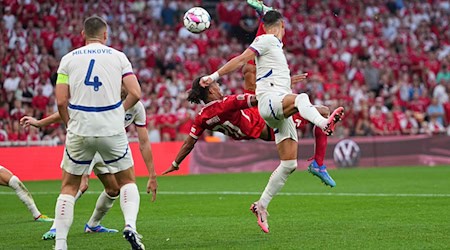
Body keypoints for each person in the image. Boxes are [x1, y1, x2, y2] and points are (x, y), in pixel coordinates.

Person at [200, 10, 344, 233]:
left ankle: (261, 206)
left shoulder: (274, 47)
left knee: (289, 164)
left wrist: (287, 80)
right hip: (269, 103)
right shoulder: (266, 39)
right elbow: (241, 61)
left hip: (278, 106)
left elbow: (265, 74)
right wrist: (213, 77)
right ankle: (323, 126)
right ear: (282, 25)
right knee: (303, 99)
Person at [53, 16, 144, 249]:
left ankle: (61, 243)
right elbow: (136, 93)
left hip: (80, 127)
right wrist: (117, 112)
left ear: (83, 35)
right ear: (106, 35)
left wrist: (69, 124)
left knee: (69, 187)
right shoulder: (118, 56)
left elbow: (61, 101)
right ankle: (130, 226)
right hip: (110, 128)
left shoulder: (68, 59)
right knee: (126, 181)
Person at [20, 92, 157, 240]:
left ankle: (93, 225)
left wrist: (152, 173)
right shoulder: (103, 95)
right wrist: (40, 123)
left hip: (108, 147)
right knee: (79, 185)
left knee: (113, 190)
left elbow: (144, 142)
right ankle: (56, 228)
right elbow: (70, 112)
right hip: (86, 143)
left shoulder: (137, 107)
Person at [162, 77, 338, 188]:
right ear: (211, 90)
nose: (220, 86)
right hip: (266, 125)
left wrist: (175, 163)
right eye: (217, 84)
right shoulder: (227, 103)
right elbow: (258, 99)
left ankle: (318, 161)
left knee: (250, 70)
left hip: (255, 125)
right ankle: (318, 163)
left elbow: (189, 143)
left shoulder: (201, 117)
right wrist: (283, 85)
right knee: (322, 111)